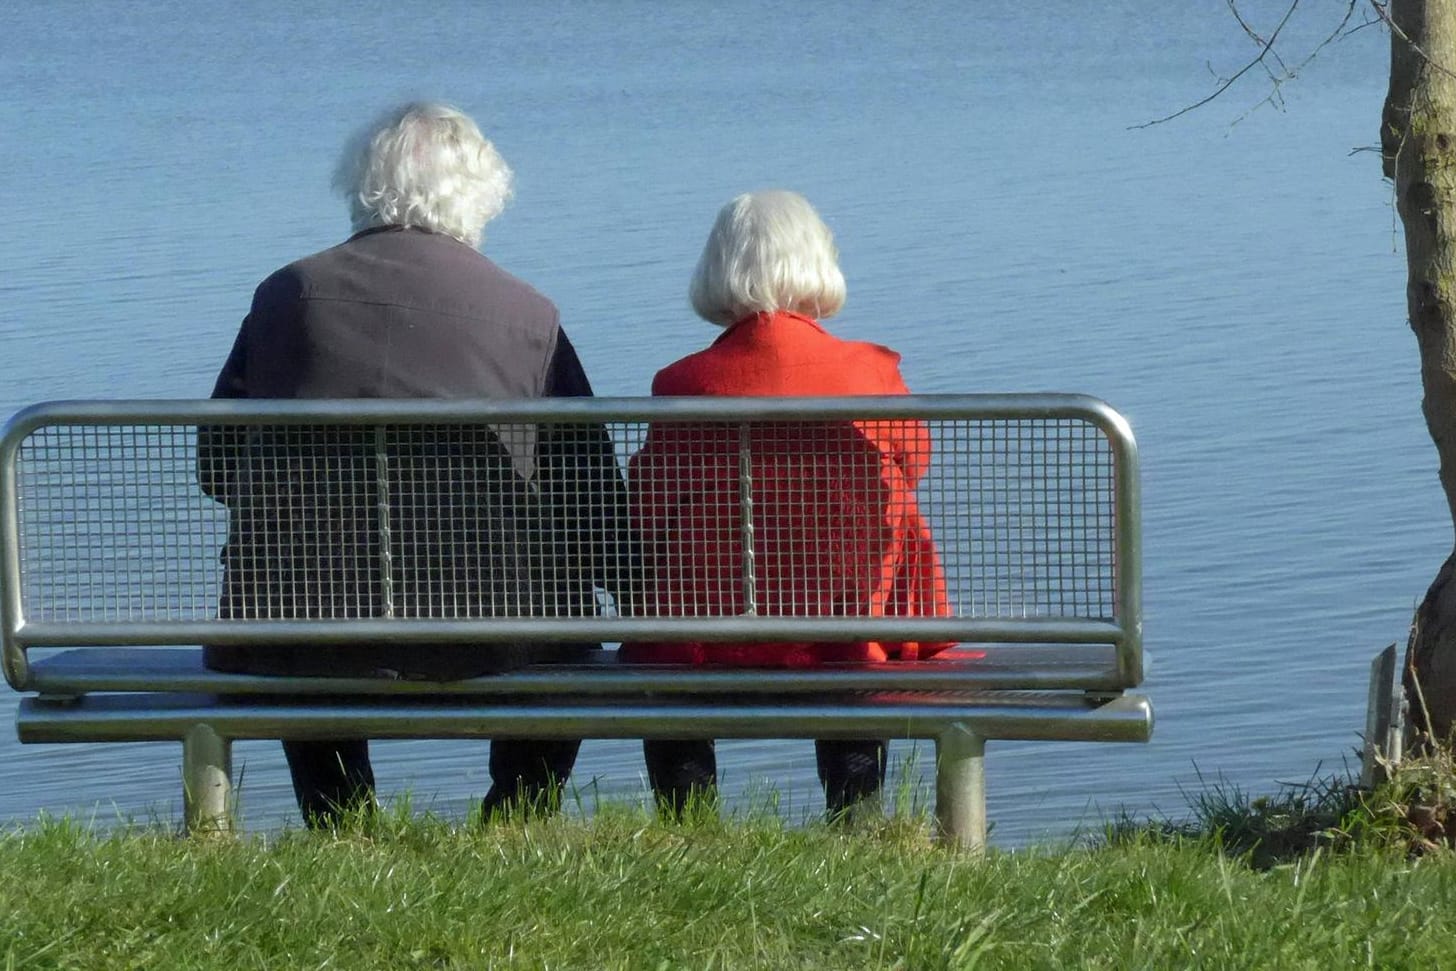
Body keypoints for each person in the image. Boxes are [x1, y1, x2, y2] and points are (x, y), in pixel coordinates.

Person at [198, 102, 629, 827]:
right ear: (481, 192)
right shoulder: (528, 315)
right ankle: (517, 822)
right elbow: (585, 491)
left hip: (302, 630)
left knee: (299, 602)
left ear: (361, 184)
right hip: (497, 630)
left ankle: (342, 823)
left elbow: (217, 467)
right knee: (568, 629)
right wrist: (635, 587)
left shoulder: (284, 298)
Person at [620, 190, 953, 821]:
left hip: (706, 635)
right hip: (845, 628)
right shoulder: (869, 371)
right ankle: (856, 816)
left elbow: (649, 507)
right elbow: (914, 464)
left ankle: (688, 824)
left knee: (668, 635)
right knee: (856, 609)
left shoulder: (681, 384)